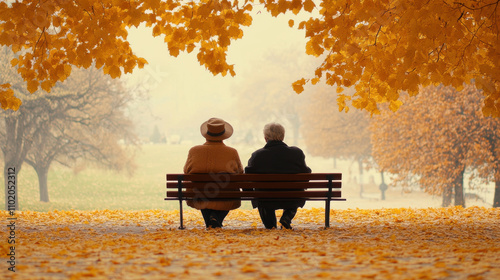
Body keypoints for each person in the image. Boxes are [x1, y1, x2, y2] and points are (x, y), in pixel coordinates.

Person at [245, 123, 311, 229]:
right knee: (296, 194)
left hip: (266, 198)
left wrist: (249, 194)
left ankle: (270, 225)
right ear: (283, 136)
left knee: (263, 199)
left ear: (265, 138)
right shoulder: (296, 153)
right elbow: (306, 173)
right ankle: (287, 217)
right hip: (291, 197)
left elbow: (247, 177)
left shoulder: (258, 155)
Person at [183, 118, 244, 228]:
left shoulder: (194, 151)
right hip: (226, 197)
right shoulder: (232, 152)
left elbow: (186, 171)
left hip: (200, 196)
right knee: (227, 189)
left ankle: (212, 222)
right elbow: (240, 173)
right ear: (223, 134)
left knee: (203, 193)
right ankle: (215, 217)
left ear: (207, 134)